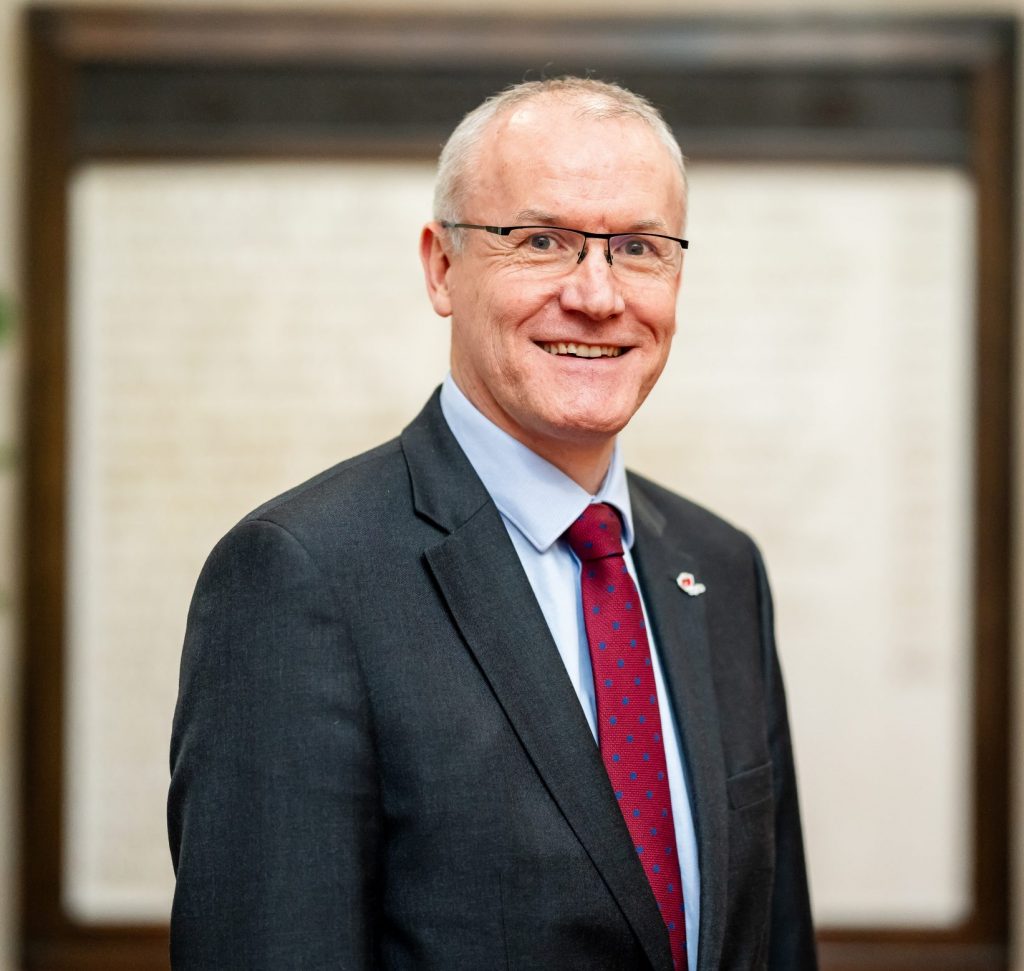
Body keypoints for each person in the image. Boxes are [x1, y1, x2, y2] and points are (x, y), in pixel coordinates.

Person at [168, 77, 817, 971]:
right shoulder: (302, 577)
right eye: (542, 240)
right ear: (442, 266)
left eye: (637, 247)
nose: (597, 294)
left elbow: (774, 940)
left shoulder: (720, 566)